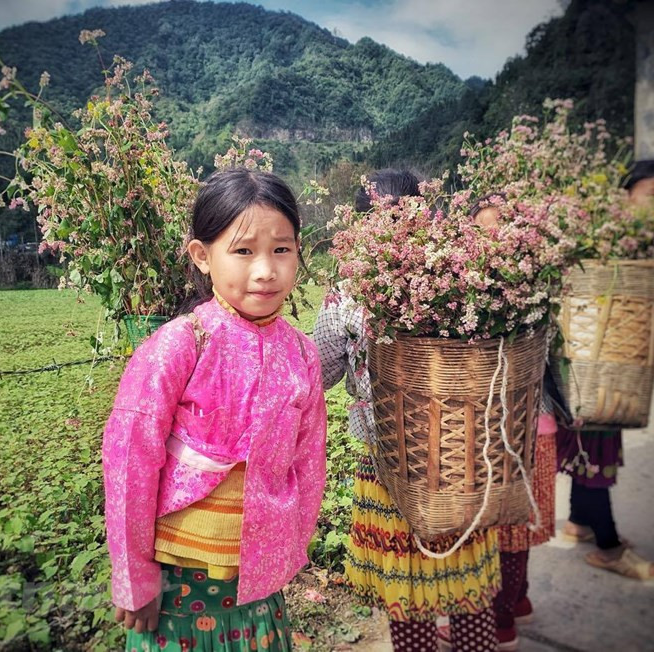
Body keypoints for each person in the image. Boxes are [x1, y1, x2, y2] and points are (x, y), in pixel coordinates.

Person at [102, 168, 328, 651]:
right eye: (243, 251)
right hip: (178, 583)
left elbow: (309, 460)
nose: (265, 270)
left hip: (258, 579)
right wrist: (133, 577)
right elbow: (129, 460)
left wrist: (292, 546)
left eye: (281, 249)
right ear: (202, 256)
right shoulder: (182, 344)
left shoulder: (302, 353)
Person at [314, 170, 502, 652]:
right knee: (445, 585)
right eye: (386, 224)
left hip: (420, 459)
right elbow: (324, 372)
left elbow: (324, 373)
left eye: (402, 221)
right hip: (431, 456)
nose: (395, 234)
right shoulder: (447, 282)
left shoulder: (358, 295)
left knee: (426, 589)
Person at [557, 160, 654, 581]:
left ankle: (579, 522)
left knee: (593, 440)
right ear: (626, 194)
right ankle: (608, 548)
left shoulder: (641, 241)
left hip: (611, 359)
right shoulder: (601, 237)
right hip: (592, 360)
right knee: (594, 446)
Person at [469, 197, 558, 651]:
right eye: (483, 233)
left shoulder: (528, 293)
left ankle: (502, 619)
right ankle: (518, 600)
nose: (495, 244)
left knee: (508, 527)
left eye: (505, 233)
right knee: (509, 525)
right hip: (509, 425)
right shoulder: (474, 291)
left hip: (521, 426)